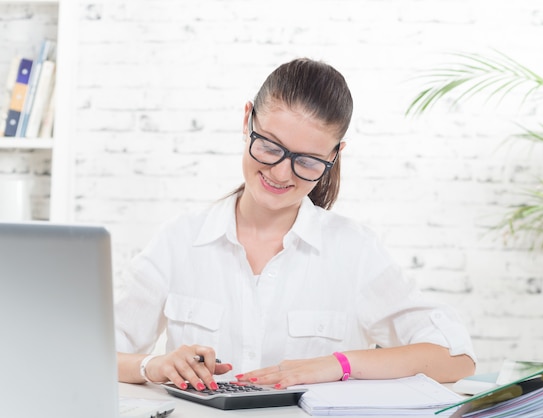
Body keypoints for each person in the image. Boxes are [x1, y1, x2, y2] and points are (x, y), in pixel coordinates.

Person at [115, 58, 476, 393]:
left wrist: (337, 365)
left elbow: (455, 356)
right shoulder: (179, 241)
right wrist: (154, 365)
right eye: (270, 147)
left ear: (334, 156)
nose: (281, 172)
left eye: (307, 161)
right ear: (247, 121)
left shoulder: (354, 251)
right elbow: (91, 352)